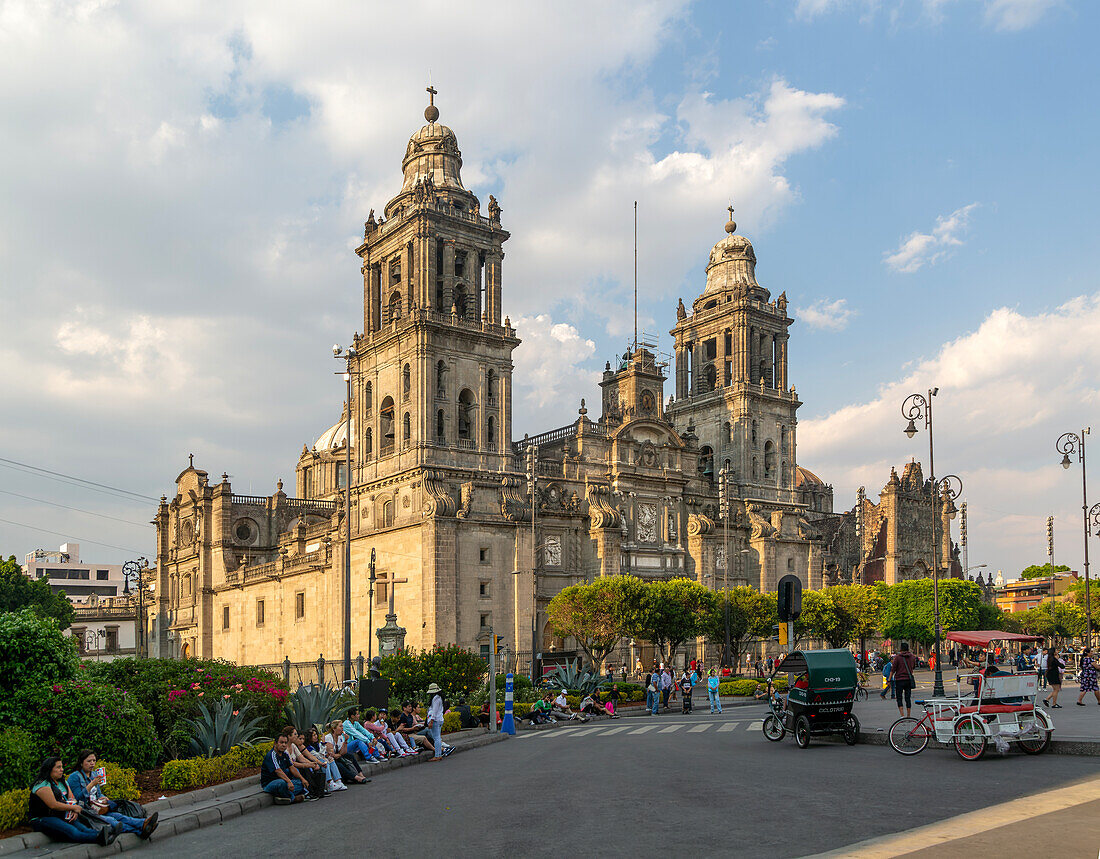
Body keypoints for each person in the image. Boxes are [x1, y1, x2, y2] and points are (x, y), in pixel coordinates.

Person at [67, 750, 158, 839]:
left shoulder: (94, 774)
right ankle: (141, 830)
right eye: (89, 761)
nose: (92, 763)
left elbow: (98, 794)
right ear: (81, 763)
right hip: (87, 811)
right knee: (111, 821)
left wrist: (103, 797)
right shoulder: (74, 777)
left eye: (94, 761)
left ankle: (144, 823)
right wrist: (91, 785)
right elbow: (77, 799)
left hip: (99, 808)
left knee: (119, 816)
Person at [29, 757, 116, 846]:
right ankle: (99, 838)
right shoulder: (42, 784)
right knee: (73, 831)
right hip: (43, 818)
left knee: (83, 828)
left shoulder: (62, 781)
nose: (62, 770)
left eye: (62, 767)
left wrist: (74, 811)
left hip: (62, 814)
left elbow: (72, 798)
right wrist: (74, 807)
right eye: (58, 767)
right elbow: (53, 805)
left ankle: (107, 834)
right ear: (49, 769)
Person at [260, 732, 310, 804]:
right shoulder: (272, 755)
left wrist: (302, 779)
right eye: (281, 742)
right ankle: (292, 798)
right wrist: (289, 782)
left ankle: (283, 796)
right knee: (282, 783)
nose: (283, 745)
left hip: (284, 781)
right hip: (270, 783)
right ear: (275, 743)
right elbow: (278, 771)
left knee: (300, 783)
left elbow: (292, 768)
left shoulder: (285, 754)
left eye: (285, 743)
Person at [323, 720, 370, 785]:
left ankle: (360, 774)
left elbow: (343, 752)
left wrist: (345, 741)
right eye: (340, 726)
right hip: (329, 758)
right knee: (339, 764)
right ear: (334, 729)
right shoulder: (328, 737)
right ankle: (356, 778)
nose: (342, 728)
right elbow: (332, 754)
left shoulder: (341, 737)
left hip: (337, 755)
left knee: (350, 756)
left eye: (342, 726)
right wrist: (339, 754)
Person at [302, 726, 346, 792]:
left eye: (316, 734)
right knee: (325, 761)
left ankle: (338, 780)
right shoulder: (308, 747)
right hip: (313, 761)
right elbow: (318, 755)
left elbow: (322, 753)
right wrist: (323, 743)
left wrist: (327, 755)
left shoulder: (316, 744)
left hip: (319, 759)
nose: (316, 736)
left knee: (330, 759)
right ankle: (329, 783)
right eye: (313, 735)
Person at [425, 682, 455, 761]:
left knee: (436, 738)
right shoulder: (440, 698)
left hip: (435, 720)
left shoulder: (435, 698)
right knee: (438, 738)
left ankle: (437, 755)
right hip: (440, 719)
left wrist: (431, 721)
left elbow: (434, 711)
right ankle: (438, 754)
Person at [891, 642, 918, 718]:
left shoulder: (898, 657)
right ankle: (908, 715)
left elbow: (893, 669)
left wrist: (889, 679)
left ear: (901, 649)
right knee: (907, 697)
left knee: (899, 697)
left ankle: (902, 715)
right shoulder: (912, 657)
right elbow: (913, 667)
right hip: (908, 679)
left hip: (899, 679)